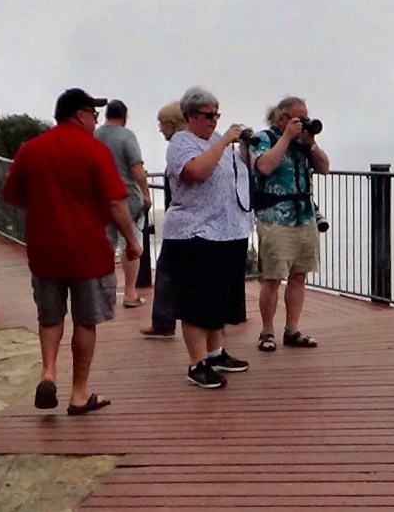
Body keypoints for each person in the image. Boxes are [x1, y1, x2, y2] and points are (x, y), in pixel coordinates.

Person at [1, 87, 142, 416]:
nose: (95, 121)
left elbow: (12, 195)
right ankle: (78, 394)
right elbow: (116, 203)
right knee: (85, 322)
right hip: (88, 251)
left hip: (44, 250)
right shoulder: (94, 151)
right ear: (80, 114)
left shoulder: (31, 149)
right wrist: (132, 242)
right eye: (93, 114)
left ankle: (48, 372)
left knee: (50, 319)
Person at [163, 86, 254, 389]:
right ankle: (197, 363)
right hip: (194, 233)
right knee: (196, 302)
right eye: (208, 115)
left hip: (227, 232)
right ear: (191, 115)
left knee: (219, 299)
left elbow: (240, 174)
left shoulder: (217, 141)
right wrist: (225, 140)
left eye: (216, 115)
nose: (214, 121)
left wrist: (244, 147)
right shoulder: (181, 142)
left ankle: (215, 353)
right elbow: (196, 172)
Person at [248, 97, 331, 352]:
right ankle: (267, 331)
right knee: (272, 278)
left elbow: (324, 168)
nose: (304, 122)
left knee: (299, 276)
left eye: (306, 117)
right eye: (299, 118)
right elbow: (263, 166)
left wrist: (311, 142)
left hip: (304, 216)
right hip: (274, 218)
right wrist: (286, 138)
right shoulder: (263, 138)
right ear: (282, 118)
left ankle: (292, 329)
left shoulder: (303, 143)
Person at [94, 99, 152, 308]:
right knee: (131, 243)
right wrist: (145, 193)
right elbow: (136, 167)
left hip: (100, 199)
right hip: (127, 199)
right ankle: (130, 292)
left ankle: (101, 294)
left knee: (106, 245)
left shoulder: (95, 136)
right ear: (125, 117)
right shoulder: (127, 136)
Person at [139, 101, 187, 339]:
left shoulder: (180, 147)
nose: (159, 129)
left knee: (166, 271)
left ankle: (164, 321)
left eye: (161, 124)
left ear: (171, 123)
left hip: (182, 222)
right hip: (186, 221)